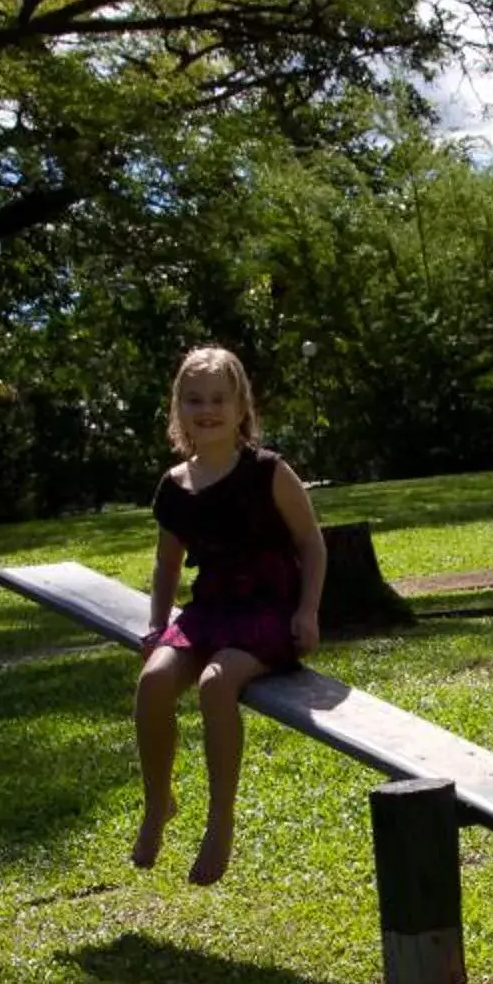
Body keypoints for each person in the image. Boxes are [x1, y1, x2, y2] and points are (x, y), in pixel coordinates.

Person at [132, 346, 326, 887]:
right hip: (210, 608)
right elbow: (167, 561)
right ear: (179, 409)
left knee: (217, 684)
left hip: (269, 609)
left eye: (219, 398)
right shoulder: (175, 486)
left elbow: (311, 543)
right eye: (194, 400)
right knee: (152, 683)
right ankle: (158, 805)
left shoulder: (267, 472)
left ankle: (220, 823)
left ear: (241, 406)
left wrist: (308, 611)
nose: (207, 409)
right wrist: (157, 625)